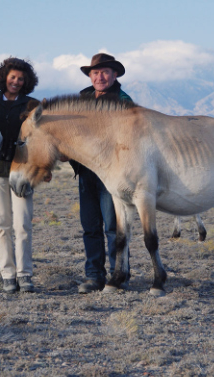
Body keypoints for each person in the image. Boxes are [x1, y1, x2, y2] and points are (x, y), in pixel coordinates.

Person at [72, 53, 133, 294]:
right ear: (90, 75)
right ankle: (94, 275)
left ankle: (120, 275)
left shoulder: (123, 101)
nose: (100, 76)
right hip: (86, 172)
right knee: (90, 226)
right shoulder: (82, 98)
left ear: (114, 74)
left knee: (112, 226)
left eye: (105, 72)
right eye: (95, 72)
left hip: (112, 174)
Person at [0, 57, 40, 294]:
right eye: (13, 77)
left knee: (23, 223)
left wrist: (40, 169)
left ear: (26, 82)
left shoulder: (32, 105)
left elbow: (40, 140)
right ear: (4, 77)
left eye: (21, 78)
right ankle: (8, 274)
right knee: (2, 224)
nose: (16, 81)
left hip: (24, 169)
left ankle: (24, 274)